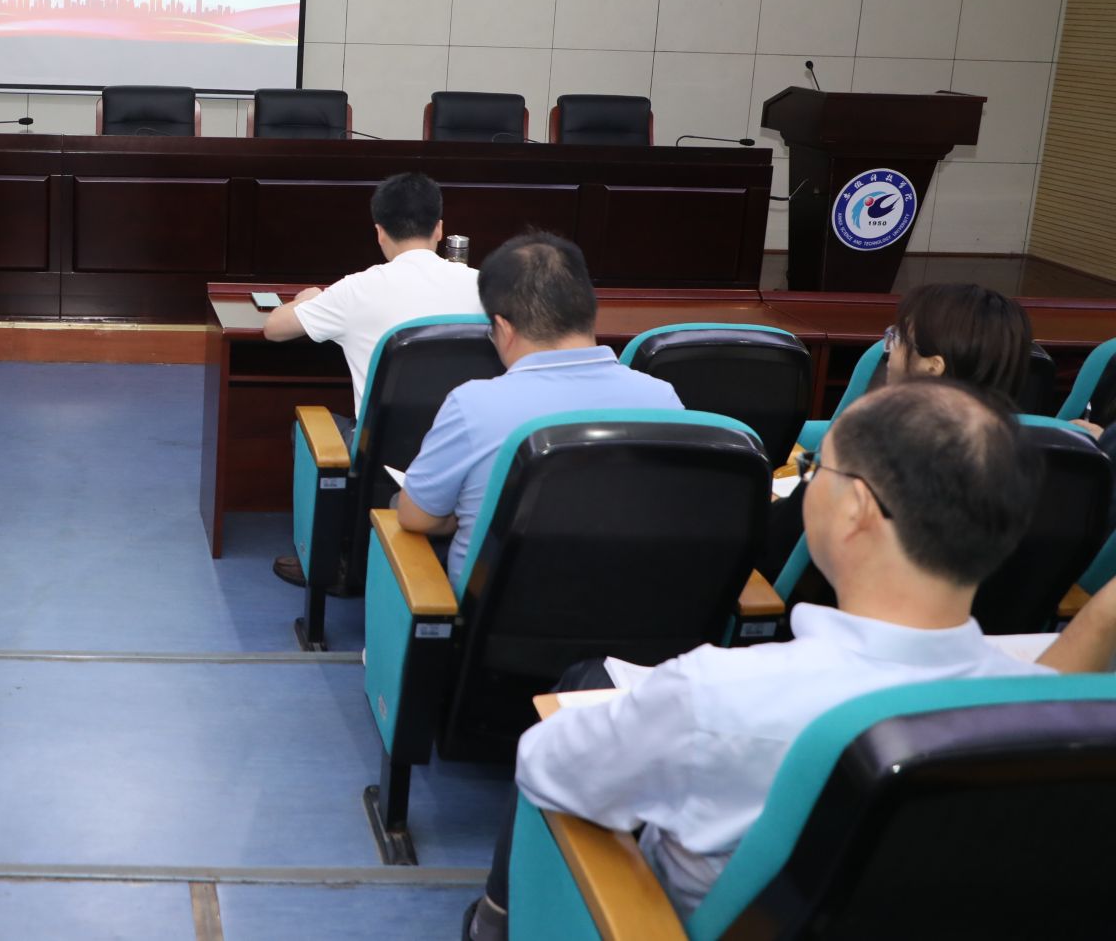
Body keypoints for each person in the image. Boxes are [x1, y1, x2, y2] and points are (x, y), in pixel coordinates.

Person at [461, 379, 1116, 938]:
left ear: (856, 508)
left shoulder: (716, 694)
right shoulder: (1044, 712)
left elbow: (547, 766)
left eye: (818, 468)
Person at [396, 231, 682, 577]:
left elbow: (416, 517)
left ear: (503, 328)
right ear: (589, 311)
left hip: (500, 609)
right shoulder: (663, 400)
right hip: (633, 600)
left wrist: (459, 516)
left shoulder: (473, 405)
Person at [266, 172, 483, 589]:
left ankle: (335, 558)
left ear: (380, 232)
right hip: (465, 456)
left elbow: (274, 329)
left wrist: (310, 299)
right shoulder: (486, 287)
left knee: (308, 430)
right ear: (440, 229)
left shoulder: (356, 290)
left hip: (385, 460)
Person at [761, 282, 1036, 576]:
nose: (889, 349)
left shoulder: (872, 449)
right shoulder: (1024, 459)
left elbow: (774, 545)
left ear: (933, 367)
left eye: (898, 337)